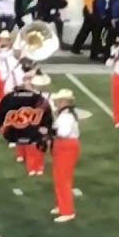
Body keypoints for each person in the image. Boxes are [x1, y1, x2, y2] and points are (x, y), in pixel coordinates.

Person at [49, 90, 80, 222]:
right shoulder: (63, 115)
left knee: (63, 179)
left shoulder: (67, 116)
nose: (57, 103)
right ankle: (61, 205)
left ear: (65, 102)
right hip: (62, 146)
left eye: (60, 101)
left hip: (66, 146)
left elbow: (63, 133)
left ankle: (68, 210)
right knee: (58, 177)